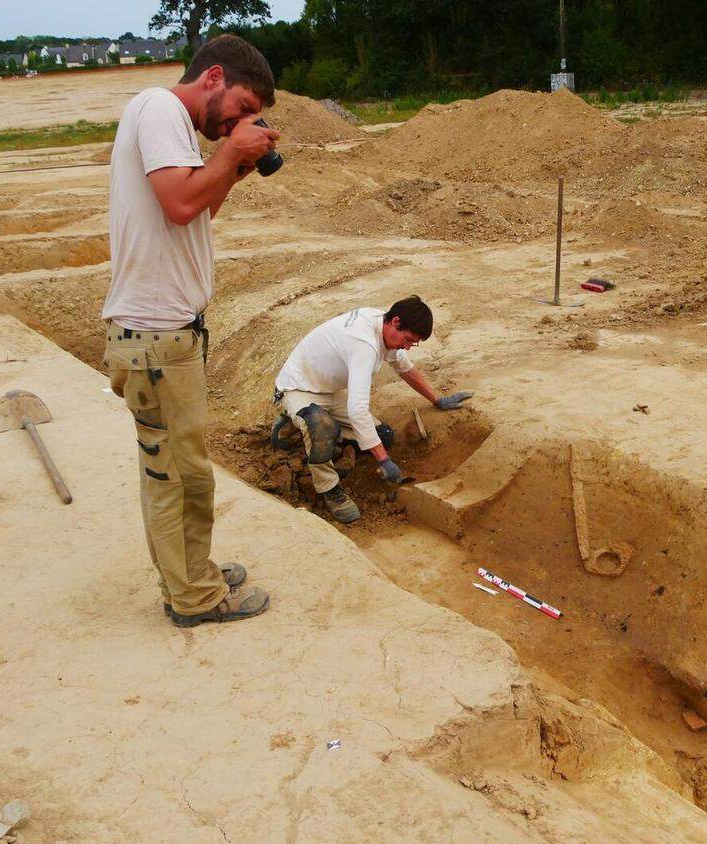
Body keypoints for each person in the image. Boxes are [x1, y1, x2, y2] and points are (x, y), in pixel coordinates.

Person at [102, 35, 279, 627]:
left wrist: (235, 167)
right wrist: (229, 156)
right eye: (242, 108)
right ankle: (193, 597)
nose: (239, 123)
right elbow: (180, 204)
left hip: (166, 337)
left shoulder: (174, 125)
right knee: (176, 475)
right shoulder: (158, 107)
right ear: (214, 78)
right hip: (156, 340)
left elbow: (196, 209)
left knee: (182, 470)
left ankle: (191, 569)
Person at [274, 296, 473, 523]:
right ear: (396, 322)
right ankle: (329, 489)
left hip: (329, 391)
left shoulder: (382, 324)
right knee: (321, 428)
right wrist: (384, 461)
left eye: (412, 344)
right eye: (407, 340)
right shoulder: (364, 344)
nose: (407, 347)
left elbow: (404, 366)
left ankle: (323, 435)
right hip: (298, 387)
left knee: (383, 436)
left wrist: (438, 399)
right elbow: (357, 410)